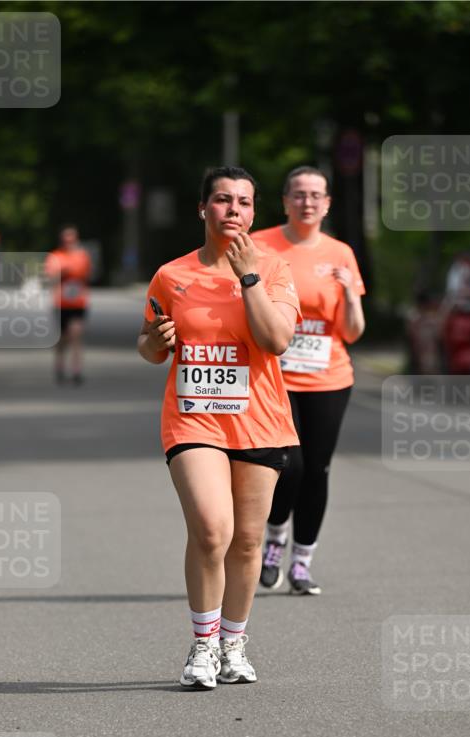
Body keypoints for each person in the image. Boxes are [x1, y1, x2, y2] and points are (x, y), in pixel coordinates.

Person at [139, 166, 300, 689]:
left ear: (254, 212)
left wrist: (248, 277)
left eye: (244, 202)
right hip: (193, 419)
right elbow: (149, 345)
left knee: (247, 542)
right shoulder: (171, 275)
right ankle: (204, 645)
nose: (234, 210)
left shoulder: (274, 269)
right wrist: (156, 342)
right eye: (224, 200)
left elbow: (276, 341)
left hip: (260, 423)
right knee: (212, 530)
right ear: (203, 208)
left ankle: (234, 643)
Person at [254, 166, 366, 595]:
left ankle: (301, 562)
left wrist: (350, 293)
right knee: (289, 465)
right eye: (299, 194)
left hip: (328, 377)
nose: (307, 202)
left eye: (316, 195)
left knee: (317, 469)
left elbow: (352, 332)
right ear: (285, 201)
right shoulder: (260, 245)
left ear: (327, 204)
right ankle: (275, 538)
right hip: (274, 376)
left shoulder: (340, 253)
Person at [45, 226, 91, 385]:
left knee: (76, 334)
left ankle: (77, 370)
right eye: (66, 240)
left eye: (72, 240)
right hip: (61, 303)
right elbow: (51, 277)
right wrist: (63, 272)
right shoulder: (55, 256)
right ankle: (59, 366)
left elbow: (86, 274)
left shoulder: (82, 255)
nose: (69, 243)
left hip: (78, 302)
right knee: (63, 337)